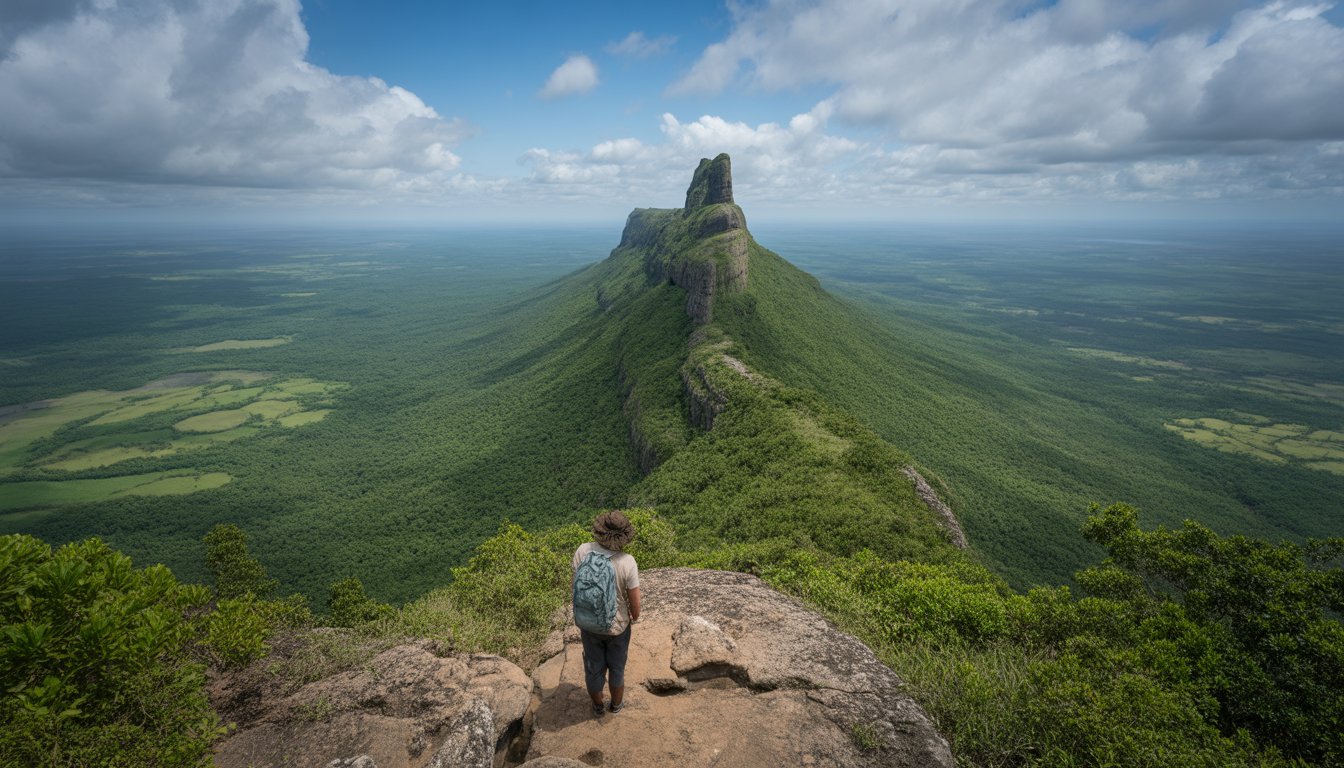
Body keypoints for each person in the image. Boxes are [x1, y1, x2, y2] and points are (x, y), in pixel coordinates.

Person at [572, 510, 641, 717]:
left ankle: (598, 706)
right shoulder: (627, 562)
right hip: (617, 628)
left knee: (594, 668)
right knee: (617, 668)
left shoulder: (583, 551)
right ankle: (616, 706)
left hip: (588, 625)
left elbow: (574, 589)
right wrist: (632, 617)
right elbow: (635, 608)